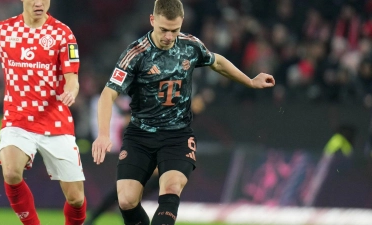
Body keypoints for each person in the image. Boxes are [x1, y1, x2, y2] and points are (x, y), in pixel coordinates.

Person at [91, 0, 275, 224]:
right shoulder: (136, 54)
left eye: (174, 30)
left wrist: (250, 81)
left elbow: (217, 62)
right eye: (163, 30)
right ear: (152, 20)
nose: (169, 37)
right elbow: (108, 93)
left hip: (177, 136)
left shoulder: (190, 45)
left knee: (171, 188)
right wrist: (103, 134)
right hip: (140, 135)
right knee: (127, 201)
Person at [0, 1, 87, 224]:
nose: (38, 3)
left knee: (75, 198)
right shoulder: (3, 30)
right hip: (18, 120)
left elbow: (72, 78)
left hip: (55, 120)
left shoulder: (62, 33)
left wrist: (71, 92)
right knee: (11, 172)